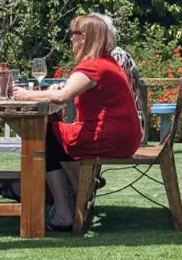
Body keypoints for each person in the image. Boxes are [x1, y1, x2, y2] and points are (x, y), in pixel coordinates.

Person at [12, 14, 143, 230]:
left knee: (44, 135)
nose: (71, 40)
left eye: (74, 34)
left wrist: (26, 95)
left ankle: (66, 208)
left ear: (85, 38)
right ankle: (77, 191)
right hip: (124, 136)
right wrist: (53, 91)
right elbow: (67, 91)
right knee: (53, 133)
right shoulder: (104, 61)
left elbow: (62, 97)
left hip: (111, 137)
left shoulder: (92, 66)